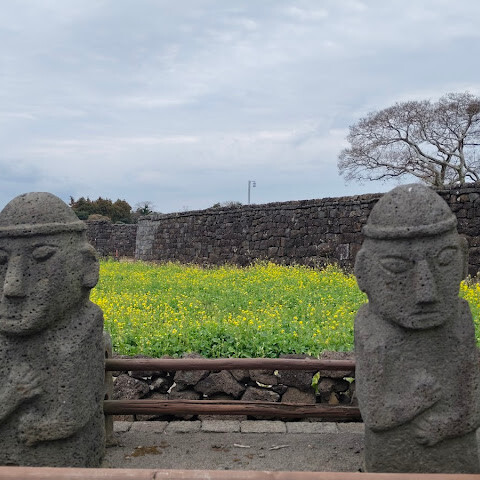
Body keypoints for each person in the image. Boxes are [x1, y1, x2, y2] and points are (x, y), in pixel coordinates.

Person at [354, 184, 480, 473]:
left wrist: (446, 426)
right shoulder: (373, 332)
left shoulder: (459, 323)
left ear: (463, 260)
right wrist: (416, 403)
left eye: (445, 261)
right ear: (363, 271)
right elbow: (375, 416)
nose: (426, 292)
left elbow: (471, 409)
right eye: (397, 267)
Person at [0, 192, 105, 467]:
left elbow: (77, 411)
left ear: (87, 268)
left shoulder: (82, 328)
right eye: (1, 261)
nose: (12, 286)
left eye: (41, 257)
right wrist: (11, 397)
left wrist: (41, 429)